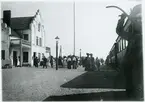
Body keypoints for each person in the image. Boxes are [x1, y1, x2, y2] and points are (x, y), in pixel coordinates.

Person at [116, 4, 143, 100]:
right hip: (130, 64)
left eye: (140, 20)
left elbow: (119, 31)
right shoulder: (133, 36)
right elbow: (119, 31)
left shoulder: (136, 36)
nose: (139, 21)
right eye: (137, 20)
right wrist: (122, 19)